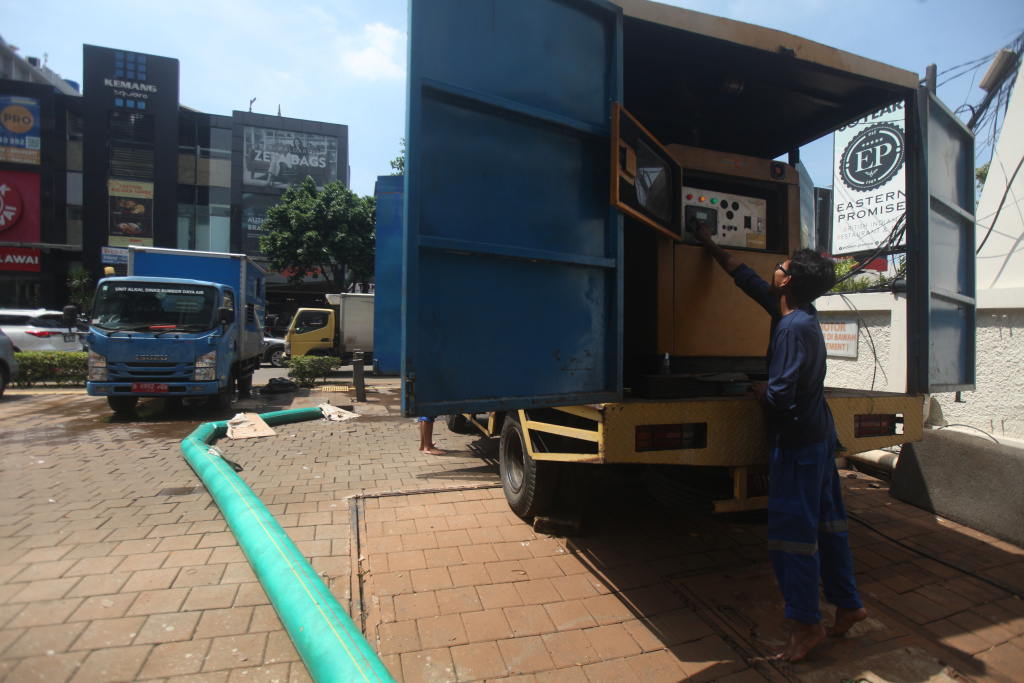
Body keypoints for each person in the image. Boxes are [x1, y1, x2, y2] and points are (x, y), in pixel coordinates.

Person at [690, 217, 867, 662]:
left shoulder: (789, 329)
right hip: (821, 439)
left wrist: (760, 389)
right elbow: (746, 277)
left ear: (786, 280)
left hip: (797, 447)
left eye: (781, 265)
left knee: (792, 535)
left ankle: (806, 625)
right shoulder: (798, 313)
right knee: (829, 526)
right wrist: (708, 243)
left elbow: (782, 393)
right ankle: (847, 605)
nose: (774, 267)